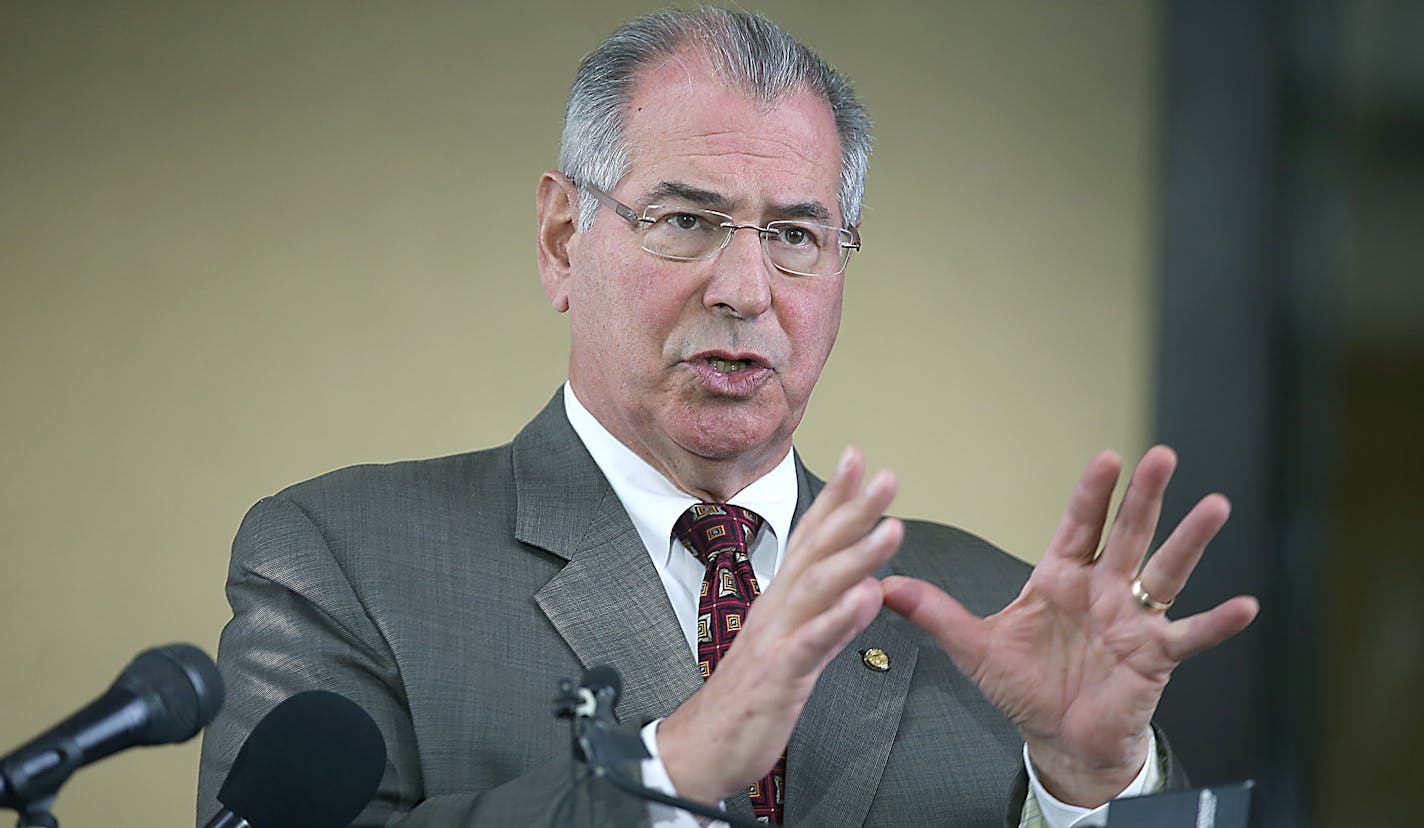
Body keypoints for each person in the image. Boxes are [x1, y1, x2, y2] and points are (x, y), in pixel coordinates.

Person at [196, 8, 1258, 827]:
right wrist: (676, 767)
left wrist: (1088, 781)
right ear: (564, 240)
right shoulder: (346, 561)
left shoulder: (988, 612)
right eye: (686, 220)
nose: (744, 288)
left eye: (797, 235)